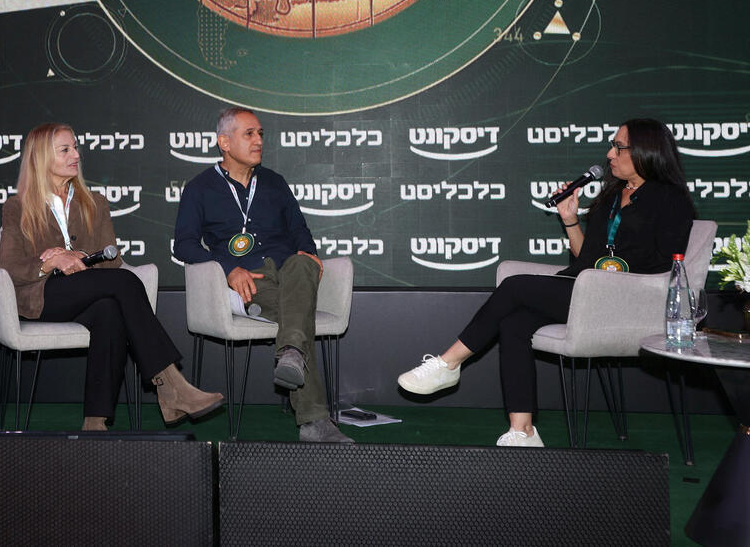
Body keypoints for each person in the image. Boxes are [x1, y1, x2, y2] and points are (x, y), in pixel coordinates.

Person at [397, 118, 695, 446]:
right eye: (611, 145)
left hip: (629, 300)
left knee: (514, 286)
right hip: (590, 290)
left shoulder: (671, 200)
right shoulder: (612, 196)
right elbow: (586, 259)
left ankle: (448, 363)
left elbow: (667, 265)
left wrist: (617, 280)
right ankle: (522, 430)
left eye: (618, 147)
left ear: (646, 151)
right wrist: (570, 219)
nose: (610, 154)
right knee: (514, 322)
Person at [0, 123, 223, 430]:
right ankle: (171, 385)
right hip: (44, 295)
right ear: (40, 158)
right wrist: (53, 261)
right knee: (128, 283)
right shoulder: (18, 206)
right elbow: (9, 267)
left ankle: (95, 420)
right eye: (66, 150)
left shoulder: (95, 202)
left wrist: (82, 262)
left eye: (75, 147)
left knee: (110, 311)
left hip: (89, 288)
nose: (76, 154)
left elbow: (112, 261)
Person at [174, 107, 353, 443]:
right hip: (247, 281)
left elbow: (300, 231)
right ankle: (314, 420)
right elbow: (184, 244)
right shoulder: (199, 188)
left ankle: (290, 352)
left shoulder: (274, 182)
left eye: (260, 134)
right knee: (297, 311)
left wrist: (309, 254)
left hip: (289, 273)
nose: (258, 141)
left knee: (302, 264)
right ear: (224, 142)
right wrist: (227, 269)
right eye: (249, 134)